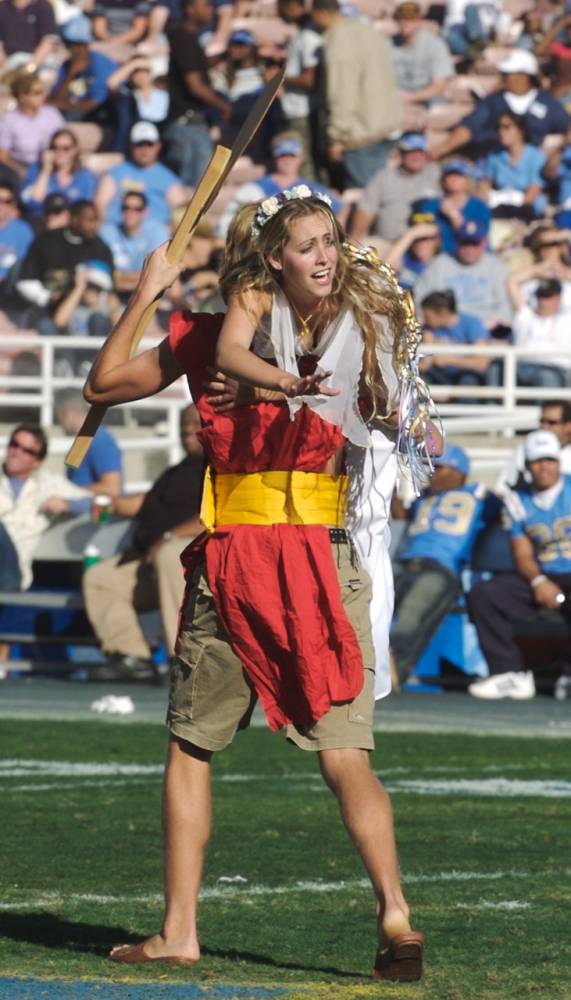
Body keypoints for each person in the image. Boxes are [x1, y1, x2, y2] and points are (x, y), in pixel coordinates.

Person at [82, 196, 429, 979]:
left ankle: (179, 930)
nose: (324, 255)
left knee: (191, 749)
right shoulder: (348, 334)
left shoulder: (211, 334)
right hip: (323, 554)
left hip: (240, 559)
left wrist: (148, 292)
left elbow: (100, 384)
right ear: (275, 256)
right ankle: (394, 910)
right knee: (346, 754)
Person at [82, 404, 205, 681]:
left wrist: (168, 538)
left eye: (194, 423)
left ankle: (182, 660)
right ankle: (131, 657)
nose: (187, 429)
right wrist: (112, 505)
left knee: (171, 555)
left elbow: (216, 515)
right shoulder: (175, 472)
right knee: (100, 577)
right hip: (147, 564)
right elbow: (145, 504)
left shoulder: (221, 468)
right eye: (183, 424)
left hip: (193, 566)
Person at [468, 429, 571, 701]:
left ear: (558, 461)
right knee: (485, 594)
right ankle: (508, 673)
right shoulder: (518, 501)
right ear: (527, 466)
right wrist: (539, 582)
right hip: (546, 574)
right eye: (537, 460)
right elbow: (522, 554)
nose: (544, 466)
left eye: (549, 459)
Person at [390, 443, 499, 685]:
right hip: (405, 562)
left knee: (411, 615)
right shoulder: (426, 498)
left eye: (439, 468)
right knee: (369, 600)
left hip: (441, 567)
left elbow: (505, 512)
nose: (433, 473)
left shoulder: (480, 495)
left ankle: (393, 669)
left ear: (458, 471)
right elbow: (401, 514)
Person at [311, 0, 402, 188]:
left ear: (321, 14)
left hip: (361, 132)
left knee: (365, 200)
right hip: (387, 124)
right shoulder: (370, 32)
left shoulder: (338, 41)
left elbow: (342, 93)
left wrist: (337, 136)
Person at [431, 49, 571, 161]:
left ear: (524, 76)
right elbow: (469, 127)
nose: (504, 77)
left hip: (531, 166)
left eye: (509, 73)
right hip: (493, 160)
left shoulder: (546, 103)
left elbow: (566, 125)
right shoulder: (494, 102)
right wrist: (442, 149)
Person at [0, 423, 90, 592]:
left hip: (11, 573)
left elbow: (95, 503)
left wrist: (68, 504)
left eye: (26, 451)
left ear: (37, 462)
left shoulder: (48, 484)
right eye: (14, 444)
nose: (16, 453)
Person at [216, 131, 342, 238]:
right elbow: (230, 223)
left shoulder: (310, 188)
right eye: (282, 155)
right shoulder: (256, 188)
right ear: (274, 157)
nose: (287, 160)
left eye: (292, 155)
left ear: (301, 158)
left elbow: (340, 209)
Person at [16, 199, 113, 332]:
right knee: (45, 326)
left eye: (97, 220)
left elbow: (108, 282)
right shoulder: (46, 241)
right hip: (47, 311)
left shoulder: (100, 247)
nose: (95, 225)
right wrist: (47, 297)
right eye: (90, 220)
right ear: (73, 219)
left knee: (98, 321)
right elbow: (25, 281)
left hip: (85, 312)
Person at [162, 0, 231, 187]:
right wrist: (223, 105)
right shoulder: (182, 36)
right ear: (190, 9)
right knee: (193, 192)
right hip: (188, 128)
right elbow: (195, 85)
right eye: (206, 4)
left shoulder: (190, 38)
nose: (212, 8)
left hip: (193, 124)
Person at [413, 218, 512, 332]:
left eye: (474, 243)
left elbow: (507, 306)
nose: (469, 249)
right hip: (444, 330)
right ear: (456, 243)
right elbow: (420, 299)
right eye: (465, 243)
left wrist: (481, 327)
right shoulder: (439, 264)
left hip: (487, 330)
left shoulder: (497, 267)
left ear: (484, 243)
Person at [348, 133, 441, 245]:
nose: (417, 156)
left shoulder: (436, 174)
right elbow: (365, 210)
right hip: (387, 243)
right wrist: (353, 243)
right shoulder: (384, 177)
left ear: (426, 155)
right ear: (401, 153)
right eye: (411, 152)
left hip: (424, 244)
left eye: (421, 152)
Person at [95, 121, 187, 227]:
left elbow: (180, 213)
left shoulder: (169, 179)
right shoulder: (115, 172)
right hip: (116, 232)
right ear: (131, 146)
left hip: (154, 236)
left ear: (158, 146)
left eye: (149, 144)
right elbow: (100, 204)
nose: (144, 150)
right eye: (139, 144)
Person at [277, 0, 322, 177]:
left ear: (295, 6)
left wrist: (279, 79)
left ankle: (311, 204)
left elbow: (310, 80)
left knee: (304, 165)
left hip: (303, 112)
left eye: (282, 5)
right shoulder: (301, 35)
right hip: (296, 111)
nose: (278, 10)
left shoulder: (309, 37)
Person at [49, 15, 118, 130]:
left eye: (69, 45)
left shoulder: (100, 63)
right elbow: (55, 99)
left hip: (100, 118)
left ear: (83, 46)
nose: (67, 49)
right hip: (71, 115)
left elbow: (95, 104)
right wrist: (71, 75)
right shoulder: (67, 65)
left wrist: (62, 105)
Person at [478, 111, 547, 220]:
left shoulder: (536, 156)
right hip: (500, 209)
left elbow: (532, 193)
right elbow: (485, 183)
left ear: (520, 130)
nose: (501, 132)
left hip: (527, 211)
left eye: (506, 127)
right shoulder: (494, 156)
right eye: (498, 127)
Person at [414, 159, 491, 255]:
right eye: (450, 175)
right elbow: (420, 235)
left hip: (471, 259)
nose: (454, 179)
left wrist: (453, 215)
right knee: (391, 266)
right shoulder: (430, 206)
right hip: (440, 259)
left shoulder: (480, 207)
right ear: (443, 180)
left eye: (459, 175)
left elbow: (477, 238)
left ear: (468, 180)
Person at [54, 387, 122, 496]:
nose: (58, 423)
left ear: (65, 413)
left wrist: (69, 493)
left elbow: (112, 489)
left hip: (99, 512)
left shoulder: (100, 440)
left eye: (57, 416)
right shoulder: (84, 440)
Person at [419, 288, 494, 387]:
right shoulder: (428, 329)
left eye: (427, 316)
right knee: (422, 382)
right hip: (439, 377)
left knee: (468, 381)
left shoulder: (472, 324)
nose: (424, 320)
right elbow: (424, 366)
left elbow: (481, 363)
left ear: (442, 312)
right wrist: (428, 349)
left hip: (466, 376)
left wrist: (450, 360)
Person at [507, 275, 571, 388]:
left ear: (558, 299)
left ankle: (555, 405)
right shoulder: (526, 315)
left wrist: (561, 271)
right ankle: (492, 406)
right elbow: (512, 281)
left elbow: (512, 281)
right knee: (497, 367)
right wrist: (538, 270)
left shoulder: (566, 318)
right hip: (523, 366)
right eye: (539, 296)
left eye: (547, 297)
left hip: (555, 369)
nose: (542, 301)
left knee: (548, 377)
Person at [101, 189, 169, 294]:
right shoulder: (107, 231)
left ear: (145, 212)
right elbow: (100, 269)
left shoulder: (157, 232)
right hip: (110, 293)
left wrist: (118, 277)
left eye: (137, 209)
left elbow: (157, 273)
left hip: (144, 293)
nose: (130, 213)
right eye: (126, 208)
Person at [20, 127, 98, 218]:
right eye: (55, 147)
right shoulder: (36, 170)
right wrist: (46, 170)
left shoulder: (86, 177)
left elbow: (86, 208)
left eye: (66, 148)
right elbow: (33, 203)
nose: (59, 152)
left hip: (72, 223)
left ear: (75, 150)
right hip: (41, 220)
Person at [496, 400, 571, 493]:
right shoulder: (525, 449)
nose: (545, 426)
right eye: (542, 421)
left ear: (568, 425)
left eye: (551, 422)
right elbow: (504, 488)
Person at [0, 71, 64, 179]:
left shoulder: (53, 114)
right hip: (22, 166)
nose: (43, 95)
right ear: (22, 96)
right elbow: (3, 156)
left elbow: (65, 140)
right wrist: (22, 172)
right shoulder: (9, 120)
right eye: (37, 92)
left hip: (53, 164)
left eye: (43, 91)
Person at [390, 1, 454, 109]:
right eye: (402, 18)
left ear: (419, 21)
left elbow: (439, 86)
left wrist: (410, 97)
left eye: (411, 18)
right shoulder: (387, 44)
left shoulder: (434, 44)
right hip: (395, 95)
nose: (406, 22)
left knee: (437, 105)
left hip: (425, 97)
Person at [384, 211, 441, 291]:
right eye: (416, 239)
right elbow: (385, 266)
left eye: (425, 238)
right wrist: (412, 234)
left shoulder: (442, 263)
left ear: (437, 240)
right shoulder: (406, 260)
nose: (420, 244)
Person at [0, 180, 33, 294]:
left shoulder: (23, 231)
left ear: (13, 204)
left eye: (7, 201)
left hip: (7, 290)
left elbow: (25, 265)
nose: (2, 205)